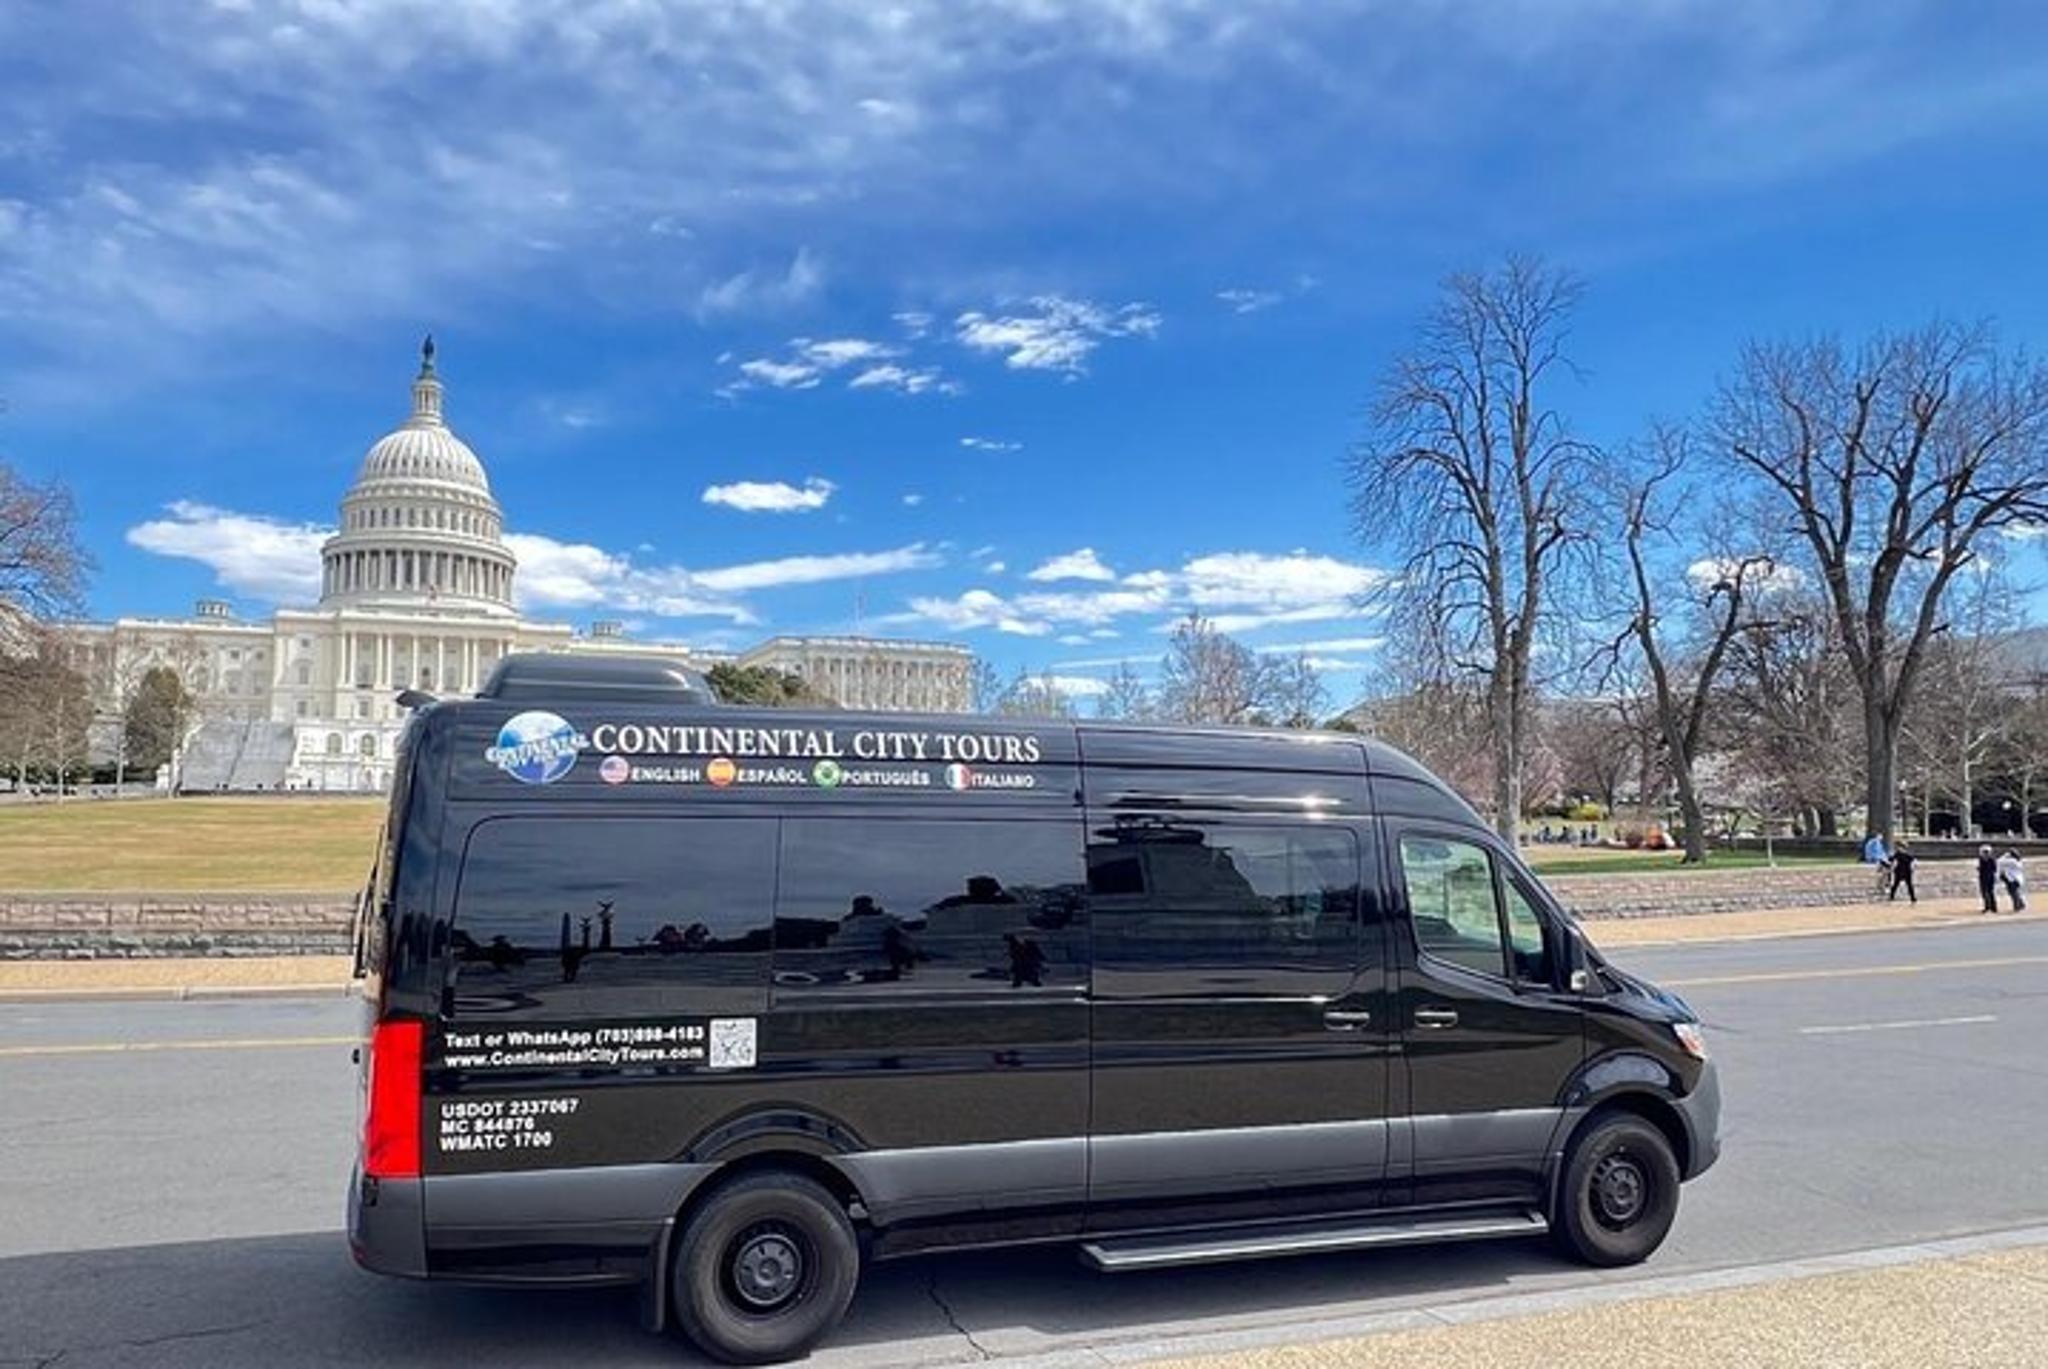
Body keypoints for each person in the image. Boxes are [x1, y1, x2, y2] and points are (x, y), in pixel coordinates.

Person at [1997, 848, 2027, 913]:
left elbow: (1999, 861)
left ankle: (2017, 906)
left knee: (2014, 893)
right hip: (2014, 879)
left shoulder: (2012, 861)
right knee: (2015, 893)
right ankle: (2021, 904)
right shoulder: (2017, 861)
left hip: (2013, 879)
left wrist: (2005, 855)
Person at [1976, 844, 1999, 914]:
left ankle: (1987, 907)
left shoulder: (1982, 859)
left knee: (1985, 892)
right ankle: (1994, 907)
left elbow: (1981, 868)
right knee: (1991, 892)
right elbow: (1995, 868)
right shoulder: (1992, 858)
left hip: (1984, 877)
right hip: (1991, 876)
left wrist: (1979, 869)